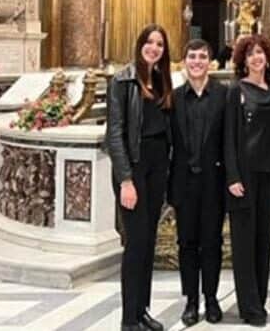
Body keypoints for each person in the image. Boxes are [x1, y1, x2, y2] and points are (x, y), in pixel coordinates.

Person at [107, 24, 174, 331]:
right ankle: (128, 320)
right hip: (133, 170)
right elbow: (115, 134)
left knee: (149, 243)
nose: (154, 48)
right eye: (149, 42)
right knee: (135, 243)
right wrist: (125, 180)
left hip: (157, 169)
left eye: (159, 44)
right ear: (140, 45)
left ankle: (142, 310)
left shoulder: (161, 80)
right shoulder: (122, 80)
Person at [224, 34, 270, 327]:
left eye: (260, 52)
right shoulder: (236, 91)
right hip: (244, 176)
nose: (256, 58)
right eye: (250, 54)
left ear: (268, 58)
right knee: (244, 245)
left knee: (263, 241)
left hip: (268, 175)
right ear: (243, 60)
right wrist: (232, 176)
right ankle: (248, 307)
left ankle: (259, 300)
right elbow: (228, 138)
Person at [169, 39, 226, 326]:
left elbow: (230, 140)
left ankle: (212, 298)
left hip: (214, 182)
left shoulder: (224, 95)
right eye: (192, 56)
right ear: (184, 62)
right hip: (184, 182)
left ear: (210, 63)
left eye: (202, 56)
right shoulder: (174, 97)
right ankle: (191, 300)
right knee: (187, 243)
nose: (197, 61)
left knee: (212, 242)